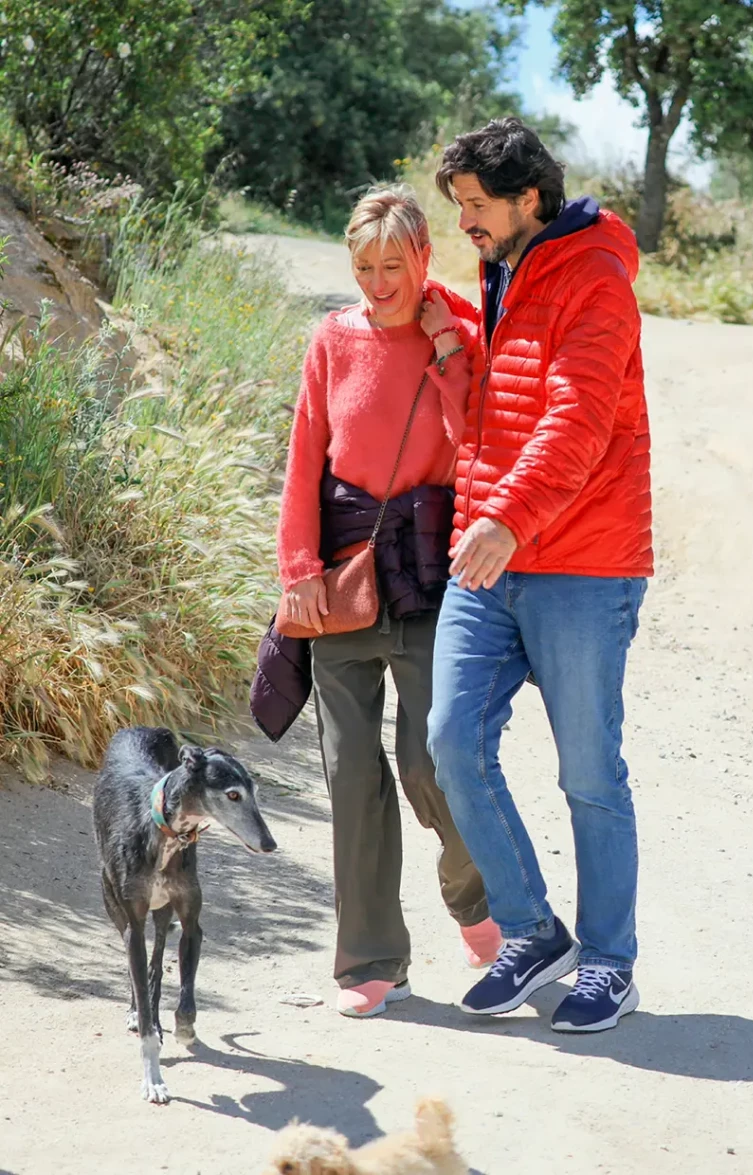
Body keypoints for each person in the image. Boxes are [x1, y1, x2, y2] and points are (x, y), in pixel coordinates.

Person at [426, 118, 653, 1033]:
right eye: (461, 210)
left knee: (589, 771)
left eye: (478, 208)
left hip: (583, 565)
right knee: (450, 738)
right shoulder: (504, 267)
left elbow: (578, 419)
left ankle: (610, 961)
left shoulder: (594, 276)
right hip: (493, 556)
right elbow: (509, 393)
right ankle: (531, 930)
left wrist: (506, 517)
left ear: (530, 199)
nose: (468, 225)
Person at [276, 185, 501, 1018]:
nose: (377, 282)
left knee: (432, 758)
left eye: (392, 265)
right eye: (363, 266)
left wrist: (446, 352)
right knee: (352, 772)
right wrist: (296, 565)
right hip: (338, 578)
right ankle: (372, 959)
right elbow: (306, 456)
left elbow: (473, 437)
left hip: (429, 579)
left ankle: (473, 895)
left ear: (422, 259)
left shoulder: (462, 337)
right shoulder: (332, 338)